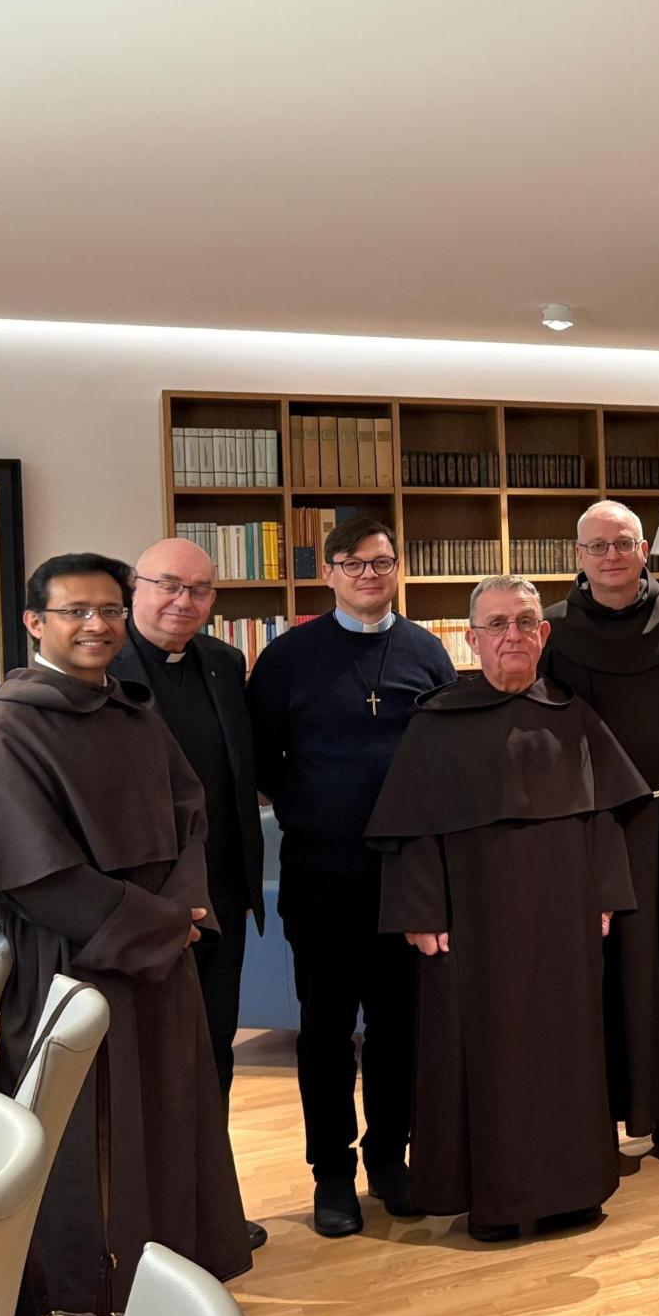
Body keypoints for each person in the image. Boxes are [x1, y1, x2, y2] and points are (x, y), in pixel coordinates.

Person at [0, 553, 251, 1313]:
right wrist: (159, 923)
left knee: (170, 1115)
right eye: (76, 611)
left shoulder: (135, 712)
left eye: (108, 610)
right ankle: (76, 1284)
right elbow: (33, 872)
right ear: (37, 622)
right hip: (70, 963)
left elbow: (191, 816)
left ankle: (166, 1273)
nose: (96, 625)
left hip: (162, 956)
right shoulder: (6, 727)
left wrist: (184, 906)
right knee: (77, 1134)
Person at [366, 577, 644, 1243]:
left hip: (562, 919)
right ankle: (491, 1200)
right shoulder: (437, 723)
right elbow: (411, 832)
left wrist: (605, 895)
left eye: (525, 622)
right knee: (478, 1052)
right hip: (472, 929)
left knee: (567, 1052)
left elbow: (603, 815)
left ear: (543, 635)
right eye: (497, 624)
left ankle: (572, 1191)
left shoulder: (573, 717)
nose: (513, 635)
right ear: (473, 639)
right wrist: (422, 910)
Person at [248, 517, 456, 1237]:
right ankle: (331, 1174)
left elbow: (443, 758)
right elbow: (261, 759)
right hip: (322, 874)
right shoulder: (288, 658)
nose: (371, 573)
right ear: (329, 573)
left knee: (401, 1029)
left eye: (383, 561)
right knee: (327, 1031)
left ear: (398, 570)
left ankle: (390, 1161)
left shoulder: (427, 652)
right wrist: (316, 804)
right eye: (355, 562)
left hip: (406, 880)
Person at [541, 500, 659, 1167]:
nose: (611, 556)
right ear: (580, 555)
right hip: (593, 830)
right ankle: (597, 1121)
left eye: (623, 544)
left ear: (644, 549)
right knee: (600, 974)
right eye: (598, 546)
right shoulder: (553, 630)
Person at [107, 537, 270, 1250]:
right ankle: (144, 1222)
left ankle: (210, 1208)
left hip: (222, 899)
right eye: (168, 585)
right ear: (134, 588)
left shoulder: (224, 662)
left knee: (213, 1054)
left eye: (201, 590)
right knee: (142, 1067)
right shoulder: (99, 669)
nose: (184, 602)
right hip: (143, 909)